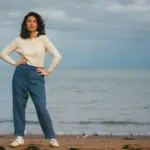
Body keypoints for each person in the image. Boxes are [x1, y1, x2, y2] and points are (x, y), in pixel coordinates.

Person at [0, 11, 61, 148]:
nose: (31, 23)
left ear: (38, 24)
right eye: (28, 21)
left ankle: (51, 137)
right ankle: (19, 137)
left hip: (37, 77)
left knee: (41, 107)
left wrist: (48, 71)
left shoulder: (43, 39)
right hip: (20, 75)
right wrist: (14, 63)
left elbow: (57, 55)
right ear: (25, 24)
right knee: (18, 107)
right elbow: (2, 53)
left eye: (34, 21)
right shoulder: (19, 40)